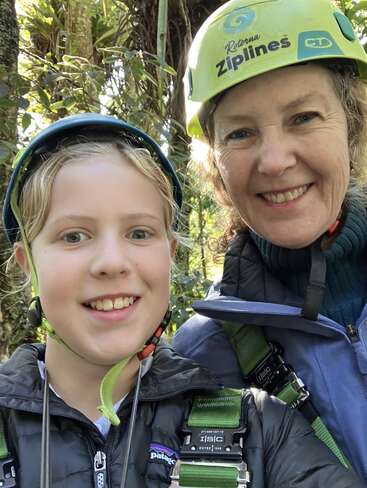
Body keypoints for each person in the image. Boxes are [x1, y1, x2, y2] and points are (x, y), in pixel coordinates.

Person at [1, 113, 363, 488]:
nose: (111, 263)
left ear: (169, 254)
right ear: (28, 263)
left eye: (139, 233)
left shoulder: (260, 430)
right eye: (74, 236)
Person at [173, 0, 367, 483]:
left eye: (302, 117)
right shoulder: (200, 358)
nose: (275, 160)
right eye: (241, 133)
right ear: (216, 165)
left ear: (353, 126)